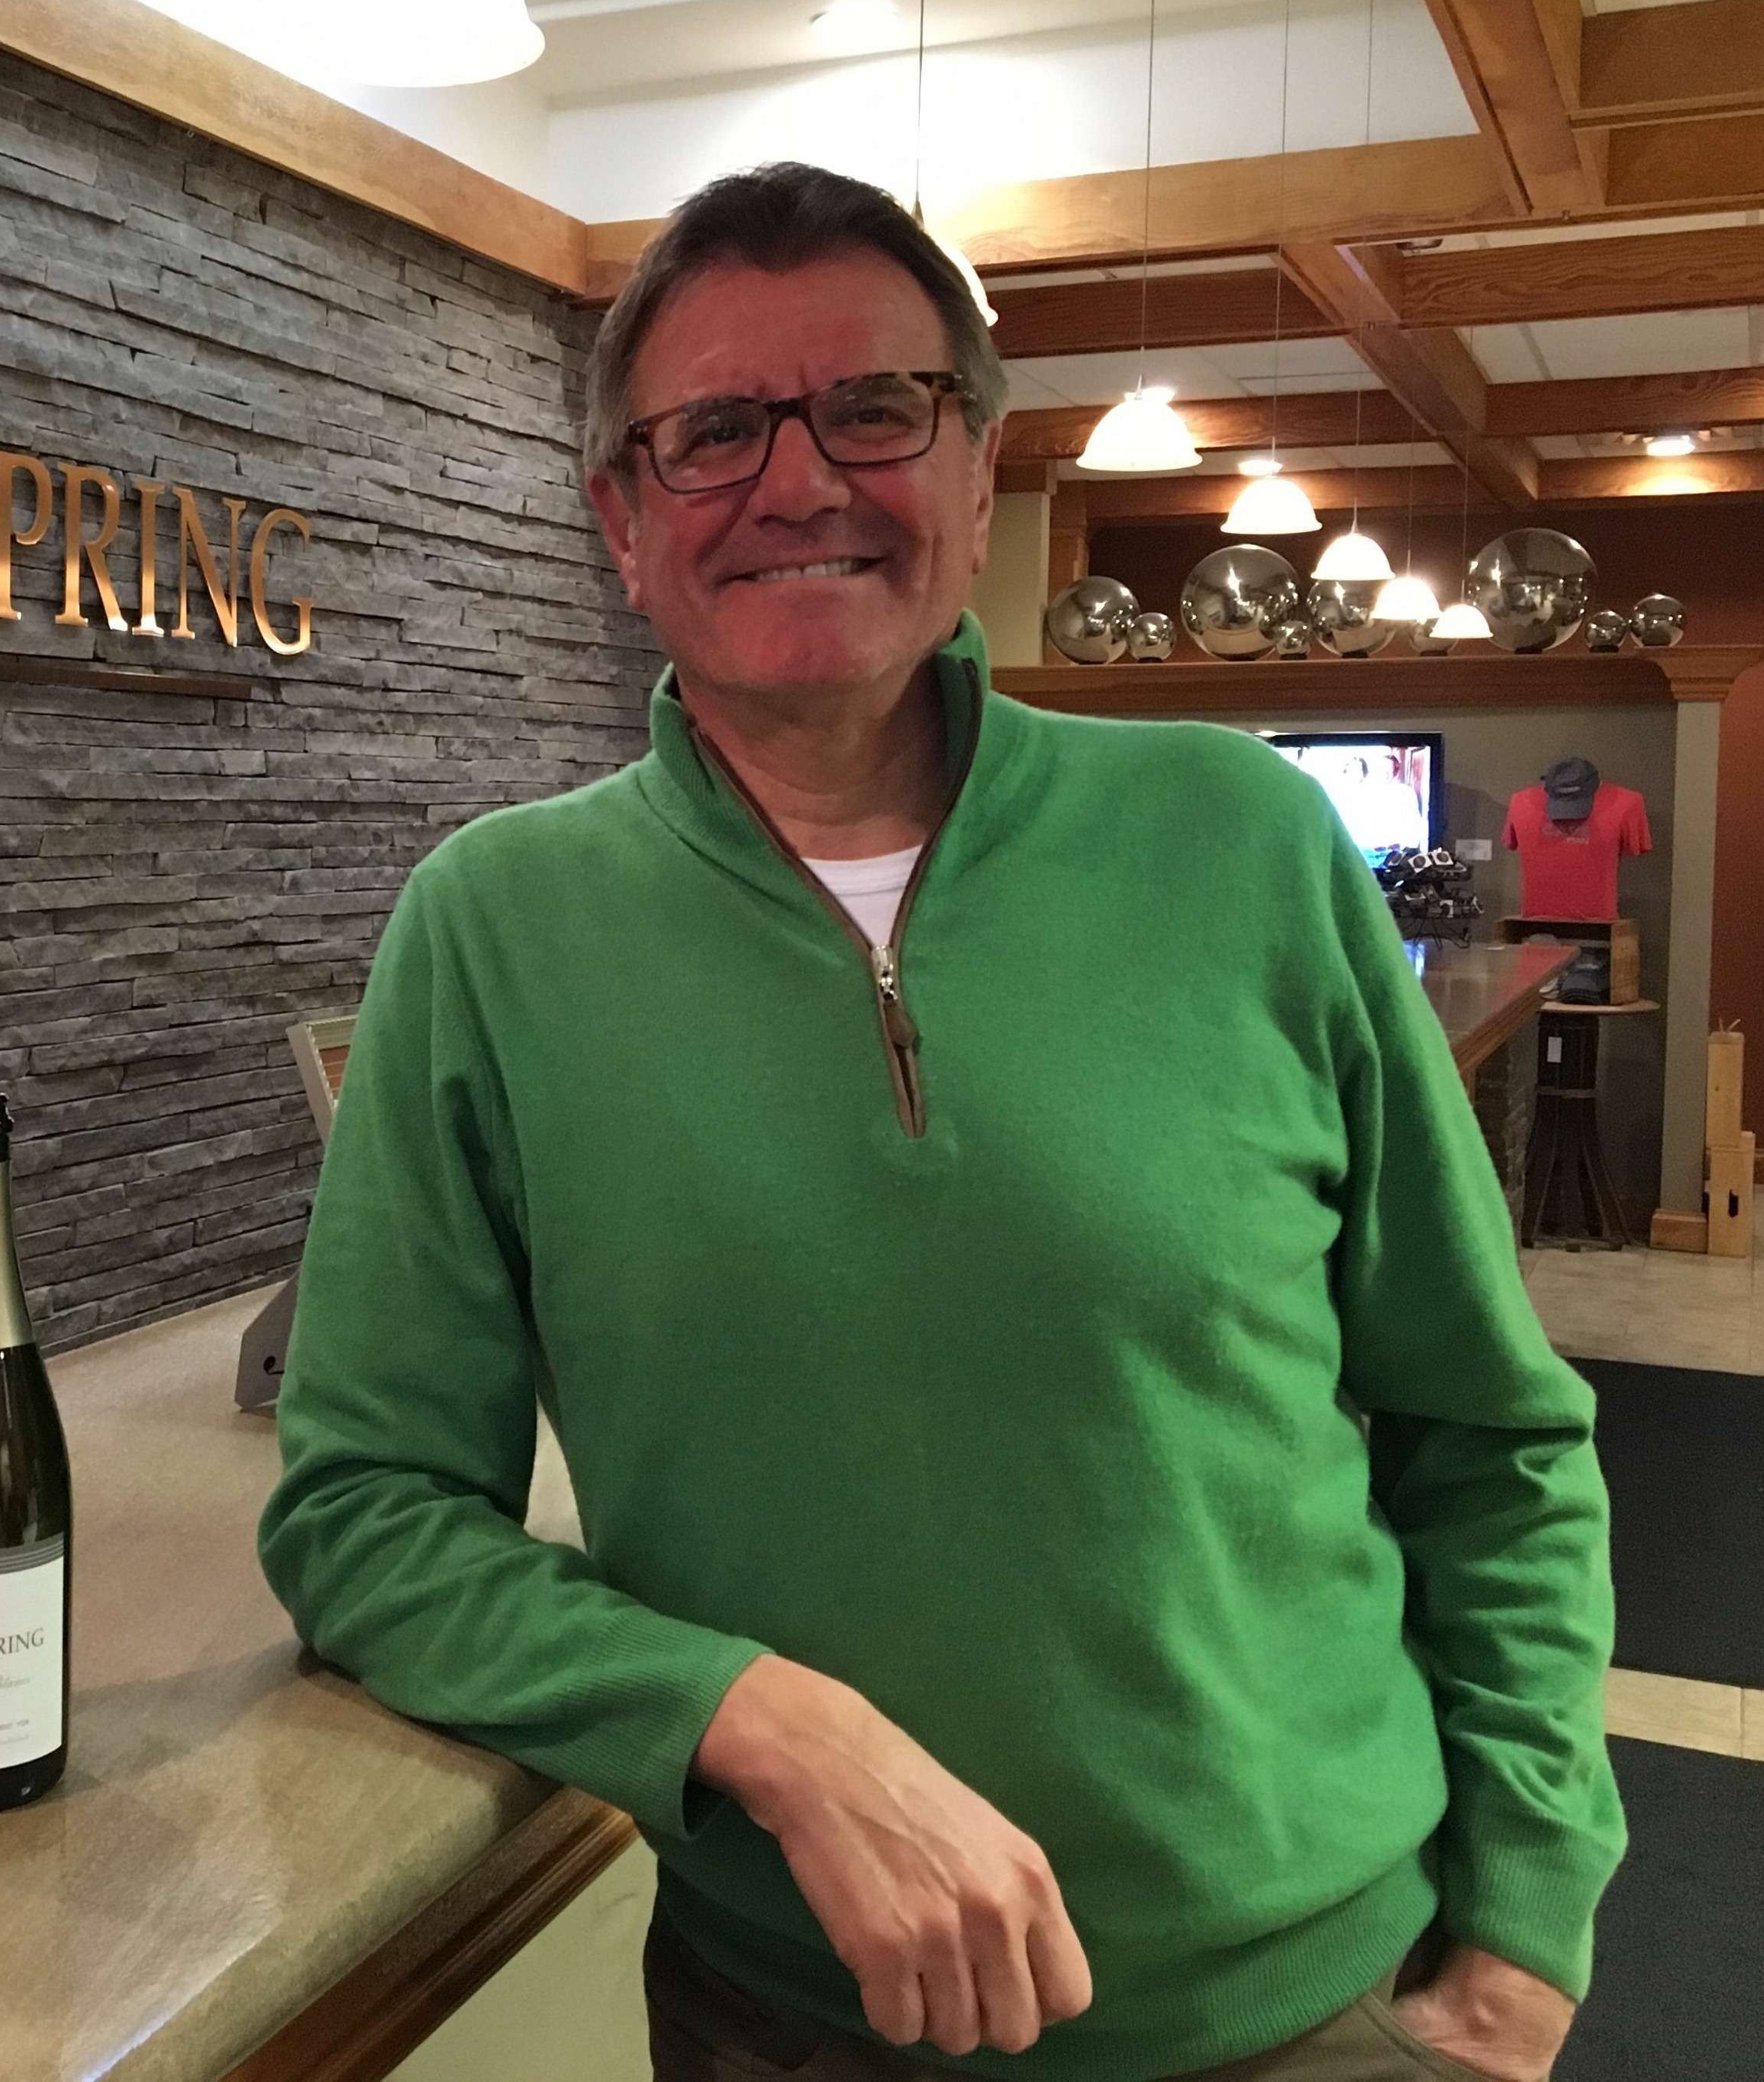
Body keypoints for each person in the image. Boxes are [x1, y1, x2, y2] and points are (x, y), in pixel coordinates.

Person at [257, 162, 1622, 2081]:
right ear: (622, 522)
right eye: (715, 432)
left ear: (980, 475)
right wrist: (756, 1719)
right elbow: (362, 1515)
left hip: (1331, 2003)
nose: (797, 481)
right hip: (794, 2025)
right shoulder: (492, 930)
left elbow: (1491, 1436)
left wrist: (1527, 1928)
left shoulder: (1242, 844)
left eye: (874, 409)